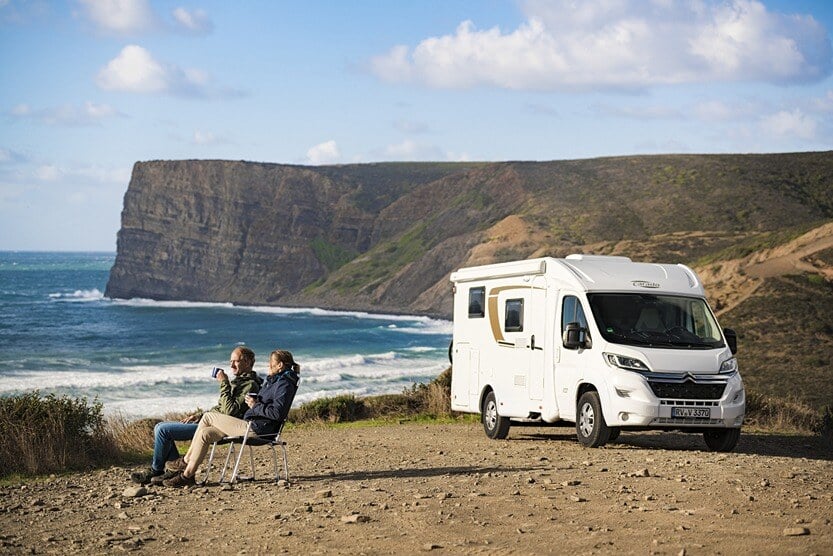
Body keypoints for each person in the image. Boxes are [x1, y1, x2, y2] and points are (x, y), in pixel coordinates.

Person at [162, 349, 300, 487]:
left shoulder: (284, 384)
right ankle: (188, 475)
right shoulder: (275, 381)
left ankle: (185, 463)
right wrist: (256, 400)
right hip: (251, 425)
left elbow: (277, 413)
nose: (268, 366)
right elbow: (270, 404)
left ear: (280, 365)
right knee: (205, 434)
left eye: (271, 363)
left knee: (208, 417)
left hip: (259, 429)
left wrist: (255, 405)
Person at [130, 346, 263, 485]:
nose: (231, 365)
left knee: (163, 430)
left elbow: (229, 411)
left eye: (235, 361)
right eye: (230, 361)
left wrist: (224, 383)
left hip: (220, 427)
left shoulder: (250, 385)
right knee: (160, 426)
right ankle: (175, 472)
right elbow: (221, 408)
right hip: (210, 421)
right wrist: (200, 415)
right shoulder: (239, 382)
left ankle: (157, 470)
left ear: (247, 362)